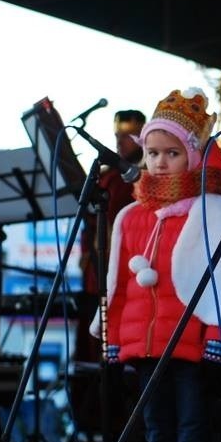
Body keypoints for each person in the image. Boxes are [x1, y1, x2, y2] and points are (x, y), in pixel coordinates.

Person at [91, 87, 221, 442]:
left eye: (172, 153)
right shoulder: (131, 216)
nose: (161, 162)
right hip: (147, 352)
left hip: (192, 353)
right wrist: (113, 338)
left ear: (193, 156)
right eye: (153, 153)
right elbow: (117, 287)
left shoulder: (211, 213)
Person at [76, 109, 146, 363]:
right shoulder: (105, 176)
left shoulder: (144, 177)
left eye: (128, 136)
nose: (120, 141)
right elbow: (90, 220)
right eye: (118, 135)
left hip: (128, 266)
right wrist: (86, 251)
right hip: (96, 267)